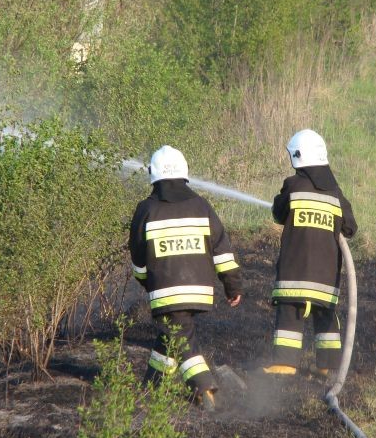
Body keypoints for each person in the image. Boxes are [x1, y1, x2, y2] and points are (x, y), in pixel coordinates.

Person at [129, 145, 243, 410]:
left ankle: (204, 387)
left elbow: (138, 258)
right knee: (173, 334)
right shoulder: (202, 206)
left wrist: (148, 282)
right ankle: (152, 385)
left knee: (182, 337)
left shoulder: (146, 209)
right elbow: (222, 250)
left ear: (153, 175)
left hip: (165, 291)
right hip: (200, 289)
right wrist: (232, 286)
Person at [263, 129, 357, 377]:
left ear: (297, 157)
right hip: (326, 278)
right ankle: (329, 366)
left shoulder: (293, 185)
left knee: (289, 315)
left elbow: (278, 212)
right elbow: (350, 228)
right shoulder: (336, 194)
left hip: (294, 273)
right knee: (326, 319)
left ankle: (285, 363)